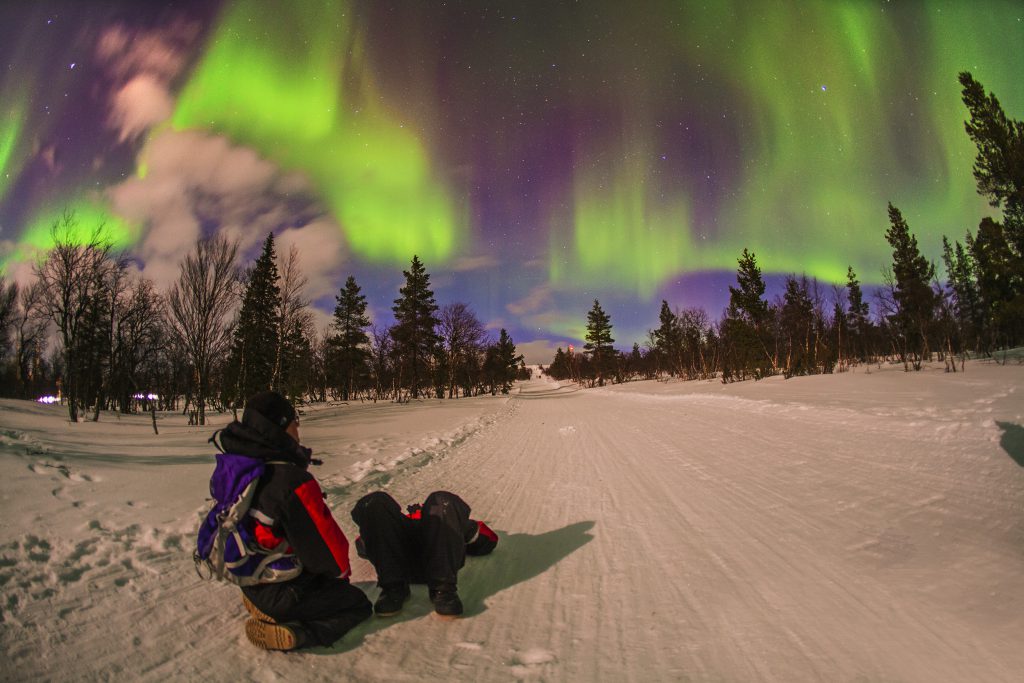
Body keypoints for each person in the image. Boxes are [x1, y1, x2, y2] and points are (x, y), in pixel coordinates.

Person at [213, 391, 371, 650]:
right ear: (281, 426)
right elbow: (328, 554)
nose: (298, 427)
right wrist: (338, 580)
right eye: (294, 420)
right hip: (285, 590)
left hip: (249, 576)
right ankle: (298, 633)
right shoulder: (290, 480)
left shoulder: (239, 465)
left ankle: (264, 603)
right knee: (357, 604)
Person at [350, 489, 498, 617]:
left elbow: (487, 540)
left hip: (442, 561)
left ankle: (442, 590)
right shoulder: (395, 523)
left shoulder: (446, 519)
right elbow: (367, 542)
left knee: (442, 499)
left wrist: (462, 530)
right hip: (398, 565)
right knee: (375, 501)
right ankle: (394, 588)